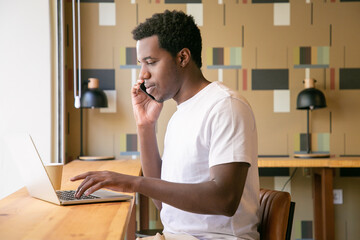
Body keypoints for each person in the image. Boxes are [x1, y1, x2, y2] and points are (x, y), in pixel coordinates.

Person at [71, 10, 260, 240]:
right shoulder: (179, 116)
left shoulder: (225, 105)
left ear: (182, 58)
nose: (143, 75)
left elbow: (224, 200)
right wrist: (145, 126)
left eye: (151, 62)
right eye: (141, 64)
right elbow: (163, 203)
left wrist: (134, 182)